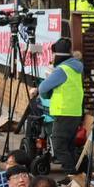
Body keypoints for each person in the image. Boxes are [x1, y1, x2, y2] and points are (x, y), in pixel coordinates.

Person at [38, 41, 84, 174]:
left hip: (64, 112)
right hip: (75, 112)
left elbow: (43, 88)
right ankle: (74, 177)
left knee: (58, 146)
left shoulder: (62, 70)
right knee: (69, 146)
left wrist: (45, 94)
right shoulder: (76, 68)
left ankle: (72, 174)